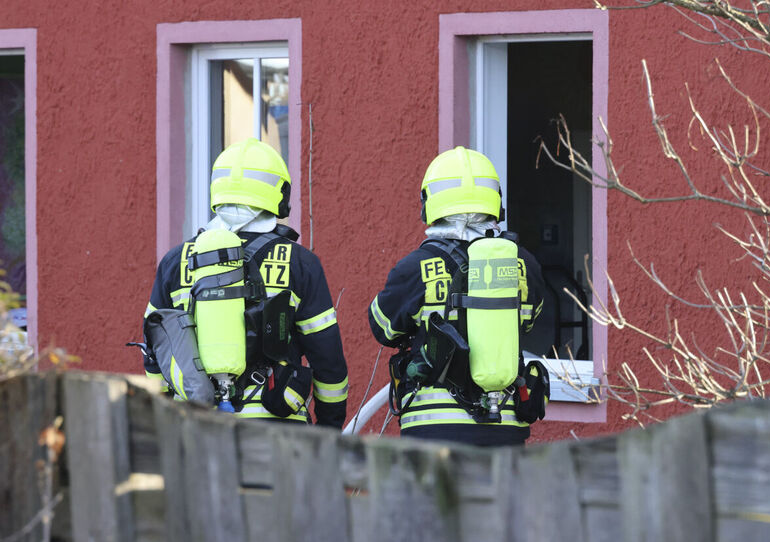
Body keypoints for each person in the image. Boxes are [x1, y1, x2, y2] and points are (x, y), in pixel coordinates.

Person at [141, 138, 348, 428]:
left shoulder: (176, 261)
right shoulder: (299, 263)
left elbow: (155, 351)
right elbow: (328, 362)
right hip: (277, 431)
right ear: (279, 193)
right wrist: (330, 430)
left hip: (196, 429)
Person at [368, 146, 549, 446]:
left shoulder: (415, 268)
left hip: (433, 431)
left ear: (430, 203)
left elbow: (382, 327)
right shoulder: (524, 265)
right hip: (505, 429)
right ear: (495, 203)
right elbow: (529, 322)